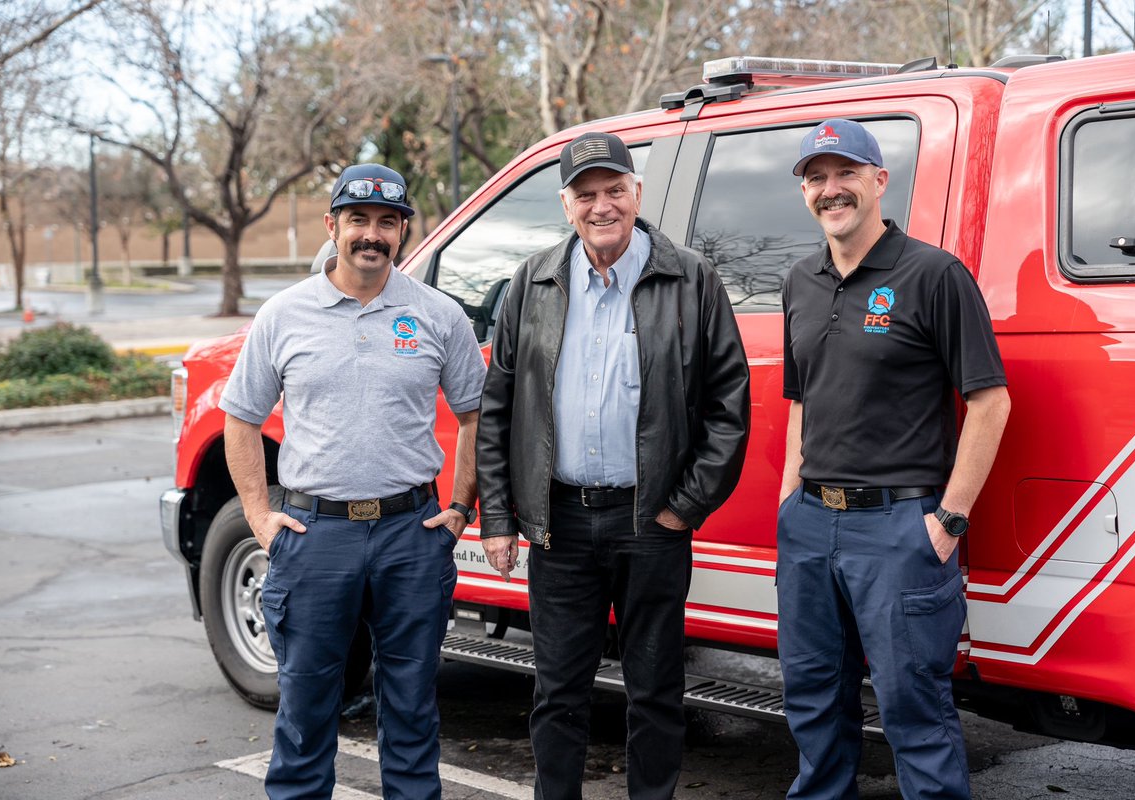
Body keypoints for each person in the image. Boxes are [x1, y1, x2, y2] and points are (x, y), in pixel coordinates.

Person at [476, 130, 750, 799]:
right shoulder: (533, 281)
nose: (602, 206)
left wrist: (684, 507)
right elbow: (499, 407)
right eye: (586, 194)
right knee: (557, 692)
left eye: (614, 190)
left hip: (650, 522)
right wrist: (499, 518)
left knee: (655, 690)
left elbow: (729, 405)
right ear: (566, 204)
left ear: (637, 193)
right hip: (560, 525)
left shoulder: (692, 278)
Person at [220, 163, 487, 800]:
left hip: (410, 534)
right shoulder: (284, 314)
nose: (372, 234)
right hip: (315, 535)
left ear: (402, 232)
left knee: (412, 709)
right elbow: (241, 418)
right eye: (358, 220)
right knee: (305, 711)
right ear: (332, 225)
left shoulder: (438, 314)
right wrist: (258, 516)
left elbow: (477, 414)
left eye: (387, 222)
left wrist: (459, 507)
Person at [776, 118, 1011, 800]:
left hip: (900, 528)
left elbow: (989, 402)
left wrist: (949, 521)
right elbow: (801, 400)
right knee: (812, 699)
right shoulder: (800, 281)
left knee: (914, 709)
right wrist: (790, 502)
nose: (830, 189)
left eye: (845, 173)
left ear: (879, 180)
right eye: (816, 178)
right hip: (810, 524)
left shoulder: (934, 275)